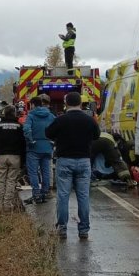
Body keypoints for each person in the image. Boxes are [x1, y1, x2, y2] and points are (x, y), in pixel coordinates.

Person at [45, 92, 100, 240]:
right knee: (83, 196)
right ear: (80, 103)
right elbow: (96, 135)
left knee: (63, 195)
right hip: (83, 160)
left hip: (65, 160)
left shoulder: (60, 120)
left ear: (66, 103)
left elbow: (48, 133)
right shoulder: (89, 120)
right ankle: (83, 230)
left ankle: (62, 228)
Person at [0, 105, 26, 214]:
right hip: (15, 157)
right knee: (11, 181)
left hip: (1, 156)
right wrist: (23, 160)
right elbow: (23, 144)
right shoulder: (19, 126)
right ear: (14, 113)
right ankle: (8, 205)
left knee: (0, 180)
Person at [23, 95, 56, 204]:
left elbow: (27, 129)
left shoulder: (31, 115)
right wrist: (52, 142)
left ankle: (36, 194)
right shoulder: (51, 116)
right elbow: (56, 128)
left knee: (33, 172)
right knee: (45, 171)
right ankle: (45, 193)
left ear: (32, 104)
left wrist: (30, 140)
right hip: (47, 147)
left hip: (34, 148)